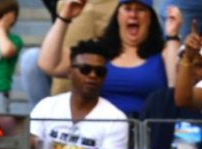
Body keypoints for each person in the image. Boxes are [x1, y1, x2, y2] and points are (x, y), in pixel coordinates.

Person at [38, 0, 182, 118]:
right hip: (100, 132)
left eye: (140, 10)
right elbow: (50, 64)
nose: (133, 14)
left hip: (146, 134)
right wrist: (64, 17)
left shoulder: (163, 53)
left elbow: (177, 88)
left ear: (150, 18)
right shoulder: (98, 50)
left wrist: (172, 35)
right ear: (117, 16)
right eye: (127, 9)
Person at [30, 39, 129, 149]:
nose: (92, 75)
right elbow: (28, 146)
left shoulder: (116, 119)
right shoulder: (46, 106)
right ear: (70, 72)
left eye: (99, 71)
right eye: (85, 69)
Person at [174, 19, 202, 109]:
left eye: (198, 65)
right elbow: (182, 99)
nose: (191, 71)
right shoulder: (159, 98)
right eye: (182, 65)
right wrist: (187, 58)